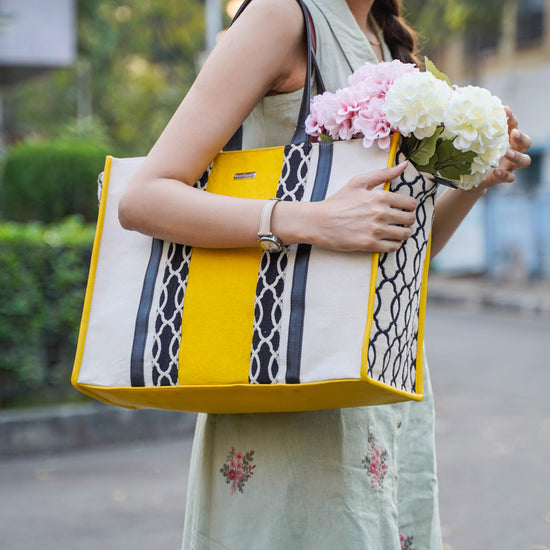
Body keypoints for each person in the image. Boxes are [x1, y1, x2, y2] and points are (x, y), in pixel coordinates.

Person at [118, 0, 532, 548]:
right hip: (288, 373)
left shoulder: (386, 43)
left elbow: (403, 252)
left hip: (384, 386)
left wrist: (478, 178)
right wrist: (311, 219)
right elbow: (143, 198)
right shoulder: (280, 17)